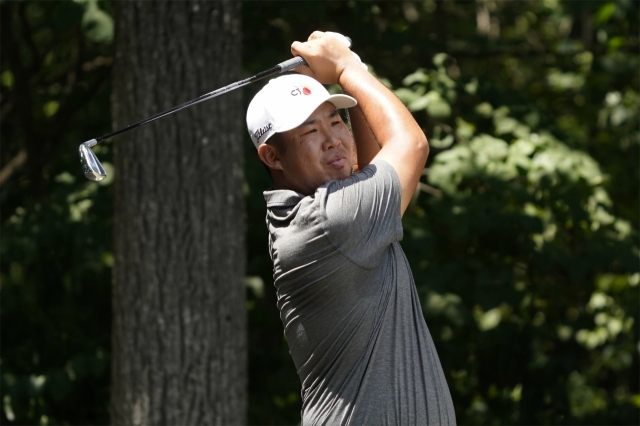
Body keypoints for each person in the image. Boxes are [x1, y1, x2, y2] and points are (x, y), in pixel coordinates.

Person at [246, 31, 456, 425]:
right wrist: (345, 66)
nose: (333, 140)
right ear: (272, 156)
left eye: (336, 120)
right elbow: (410, 146)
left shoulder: (325, 217)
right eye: (309, 131)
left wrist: (348, 76)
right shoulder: (330, 223)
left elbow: (370, 166)